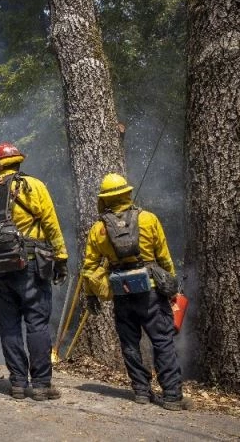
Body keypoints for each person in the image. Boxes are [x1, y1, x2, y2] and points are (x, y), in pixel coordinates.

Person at [81, 172, 186, 410]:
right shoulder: (148, 219)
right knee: (162, 341)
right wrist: (171, 288)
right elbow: (164, 258)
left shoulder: (98, 229)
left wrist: (91, 294)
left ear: (105, 199)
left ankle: (140, 391)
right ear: (127, 193)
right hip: (151, 291)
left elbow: (89, 266)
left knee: (130, 342)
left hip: (121, 293)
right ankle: (171, 396)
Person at [0, 142, 69, 400]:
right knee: (36, 323)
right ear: (18, 162)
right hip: (31, 266)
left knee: (9, 324)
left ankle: (17, 382)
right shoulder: (34, 187)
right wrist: (61, 256)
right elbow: (51, 223)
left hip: (0, 270)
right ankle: (40, 385)